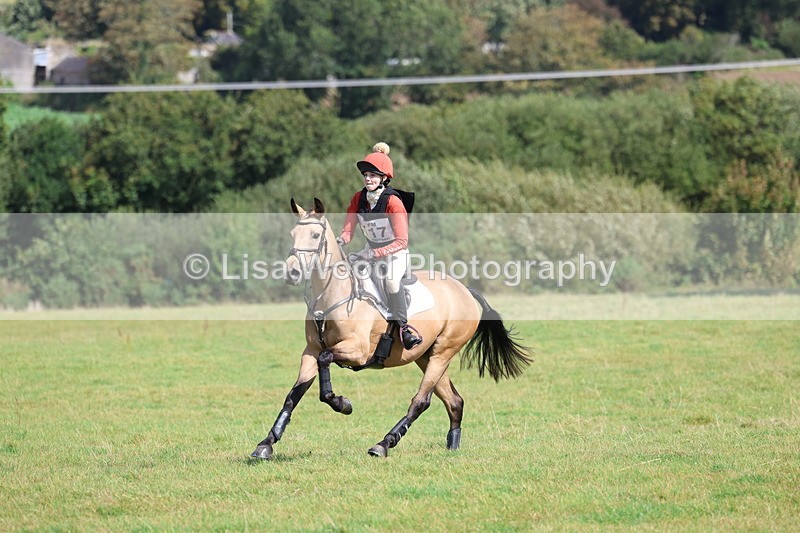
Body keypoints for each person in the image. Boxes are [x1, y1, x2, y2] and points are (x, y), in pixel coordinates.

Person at [337, 142, 423, 350]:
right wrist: (340, 240)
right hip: (371, 250)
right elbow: (348, 230)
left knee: (392, 282)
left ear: (384, 178)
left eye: (373, 175)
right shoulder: (358, 198)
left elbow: (402, 241)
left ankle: (404, 328)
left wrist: (373, 253)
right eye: (366, 175)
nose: (368, 179)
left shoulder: (393, 202)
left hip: (396, 252)